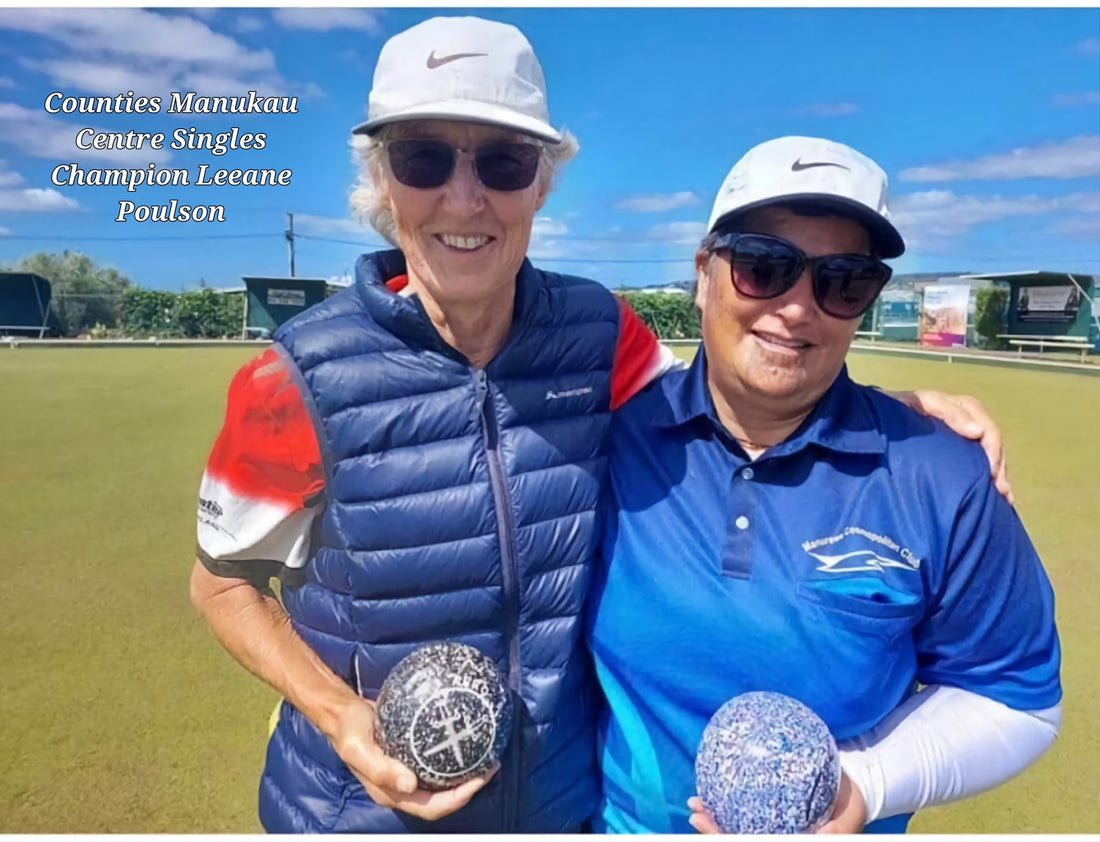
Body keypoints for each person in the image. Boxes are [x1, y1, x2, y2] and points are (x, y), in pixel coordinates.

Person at [190, 17, 1012, 834]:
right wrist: (339, 718)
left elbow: (737, 395)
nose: (465, 197)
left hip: (558, 812)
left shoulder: (601, 335)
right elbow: (221, 582)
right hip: (355, 814)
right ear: (383, 178)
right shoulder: (292, 377)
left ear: (542, 183)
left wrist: (893, 416)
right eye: (424, 158)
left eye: (505, 163)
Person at [587, 136, 1062, 835]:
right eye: (762, 267)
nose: (799, 307)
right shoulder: (605, 441)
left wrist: (864, 783)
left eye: (842, 280)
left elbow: (1019, 698)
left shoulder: (945, 476)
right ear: (703, 272)